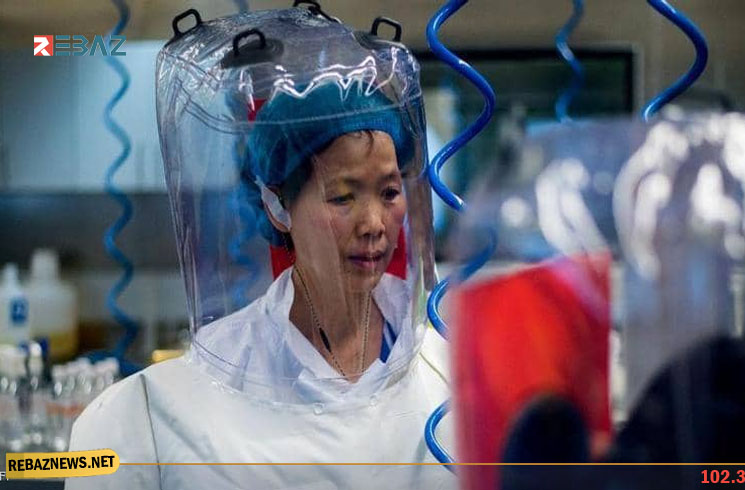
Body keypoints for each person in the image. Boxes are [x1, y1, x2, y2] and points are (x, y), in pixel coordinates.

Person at [66, 7, 454, 490]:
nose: (374, 224)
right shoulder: (158, 412)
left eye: (390, 192)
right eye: (342, 197)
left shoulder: (447, 368)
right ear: (277, 206)